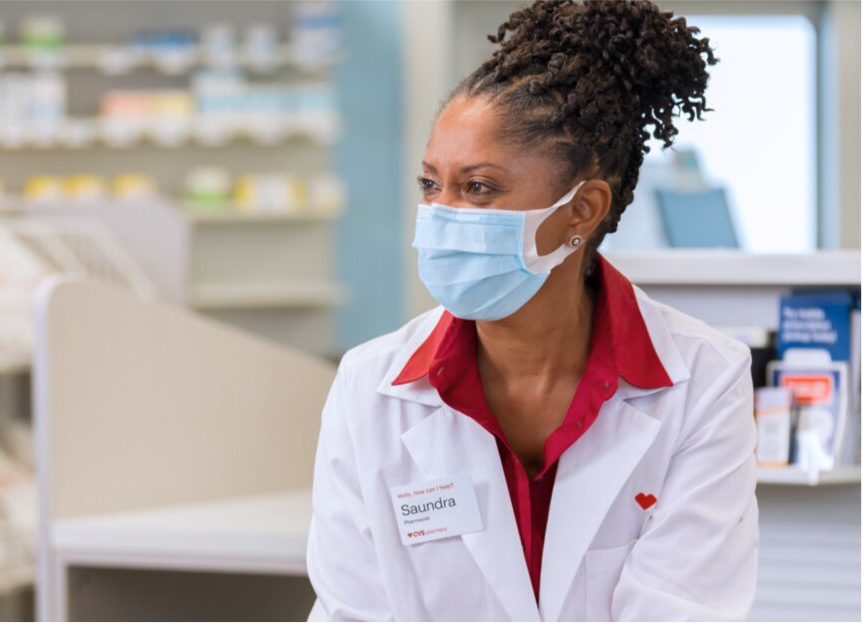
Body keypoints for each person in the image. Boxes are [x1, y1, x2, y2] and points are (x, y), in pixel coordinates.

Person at [306, 0, 758, 620]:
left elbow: (681, 609)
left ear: (582, 210)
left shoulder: (704, 382)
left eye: (479, 188)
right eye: (431, 185)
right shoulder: (370, 387)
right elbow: (353, 610)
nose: (441, 214)